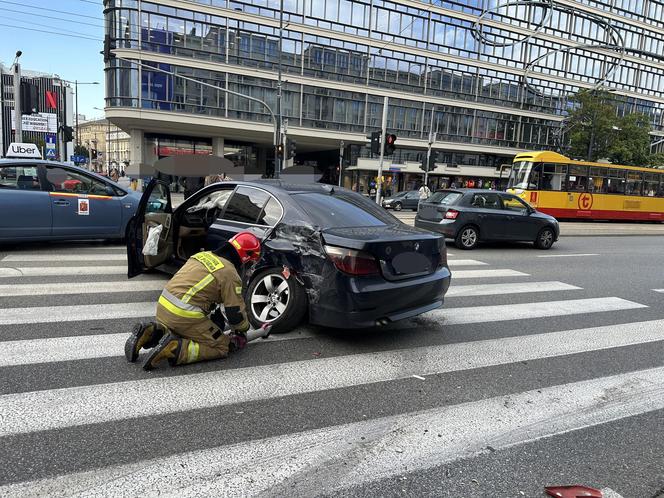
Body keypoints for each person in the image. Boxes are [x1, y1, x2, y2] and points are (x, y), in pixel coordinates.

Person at [125, 232, 269, 371]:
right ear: (246, 257)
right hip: (184, 315)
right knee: (222, 346)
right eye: (250, 264)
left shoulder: (202, 255)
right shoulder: (230, 274)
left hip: (163, 307)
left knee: (186, 330)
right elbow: (235, 315)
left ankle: (152, 331)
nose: (249, 268)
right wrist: (244, 328)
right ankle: (175, 348)